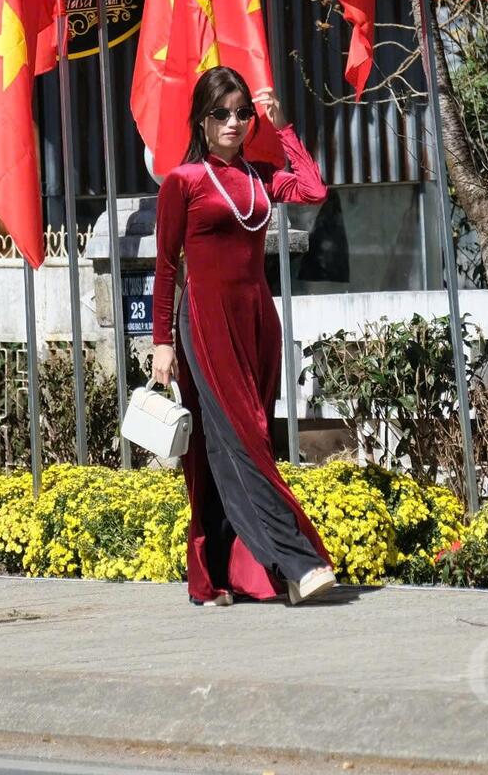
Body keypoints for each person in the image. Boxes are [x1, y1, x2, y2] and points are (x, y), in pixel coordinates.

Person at [150, 65, 338, 606]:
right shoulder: (182, 182)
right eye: (220, 113)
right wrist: (162, 341)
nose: (233, 123)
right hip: (205, 324)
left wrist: (281, 129)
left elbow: (313, 189)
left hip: (257, 322)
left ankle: (215, 575)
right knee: (243, 441)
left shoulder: (258, 177)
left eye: (241, 113)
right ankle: (295, 564)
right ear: (201, 120)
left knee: (226, 445)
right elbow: (166, 268)